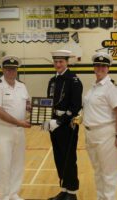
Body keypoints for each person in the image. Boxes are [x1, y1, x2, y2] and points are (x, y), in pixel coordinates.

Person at [0, 55, 31, 200]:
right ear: (3, 70)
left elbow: (28, 105)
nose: (11, 71)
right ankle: (4, 196)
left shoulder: (22, 86)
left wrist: (36, 110)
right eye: (8, 69)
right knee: (4, 164)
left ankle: (13, 193)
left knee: (18, 163)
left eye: (14, 69)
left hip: (19, 130)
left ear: (17, 70)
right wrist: (18, 122)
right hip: (1, 130)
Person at [83, 52, 117, 200]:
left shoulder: (111, 87)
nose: (100, 68)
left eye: (103, 66)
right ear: (94, 67)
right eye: (97, 65)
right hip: (91, 134)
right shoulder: (94, 87)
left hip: (106, 134)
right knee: (98, 171)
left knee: (109, 173)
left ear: (108, 68)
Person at [42, 50, 83, 200]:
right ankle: (64, 189)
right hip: (54, 124)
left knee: (69, 159)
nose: (58, 64)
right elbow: (49, 102)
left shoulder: (74, 80)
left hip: (67, 125)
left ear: (67, 62)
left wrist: (60, 121)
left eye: (61, 61)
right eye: (56, 62)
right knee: (59, 158)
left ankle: (72, 192)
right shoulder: (53, 80)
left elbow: (75, 106)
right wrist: (47, 119)